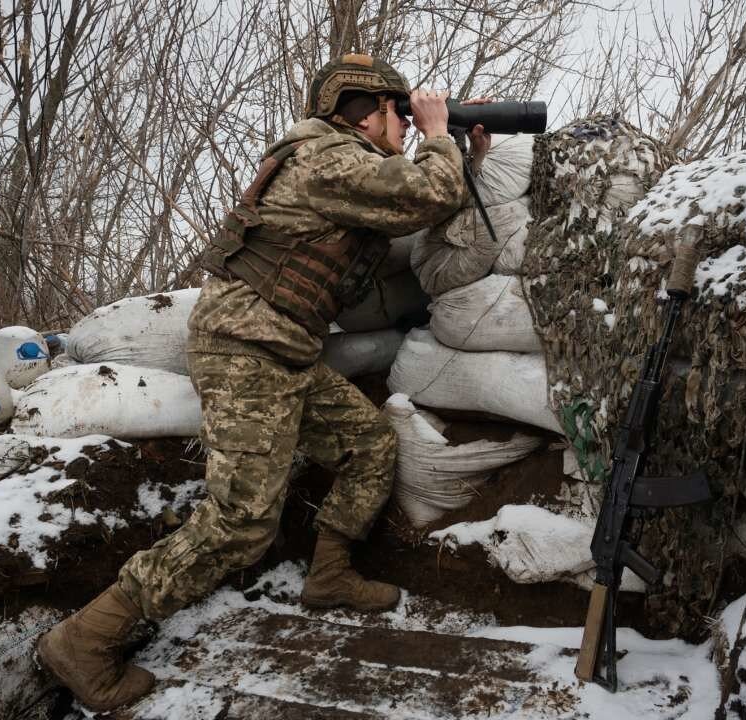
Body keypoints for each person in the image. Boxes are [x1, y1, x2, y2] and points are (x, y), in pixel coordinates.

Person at [36, 54, 491, 712]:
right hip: (246, 349)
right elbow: (422, 194)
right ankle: (85, 638)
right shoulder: (323, 156)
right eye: (400, 114)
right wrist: (441, 132)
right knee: (241, 522)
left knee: (369, 442)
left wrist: (465, 158)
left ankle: (329, 575)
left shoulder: (344, 167)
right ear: (369, 111)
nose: (406, 127)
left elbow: (415, 208)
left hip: (283, 352)